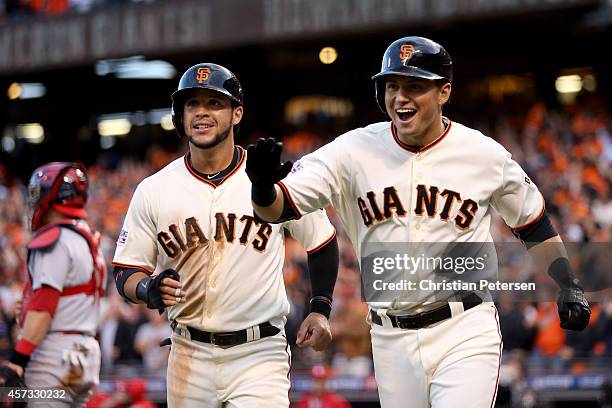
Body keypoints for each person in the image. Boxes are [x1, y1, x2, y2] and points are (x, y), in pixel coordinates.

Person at [245, 36, 591, 407]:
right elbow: (277, 209)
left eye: (415, 86)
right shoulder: (350, 151)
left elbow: (533, 224)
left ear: (444, 92)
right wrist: (263, 188)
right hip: (390, 337)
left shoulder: (482, 153)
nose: (400, 97)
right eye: (392, 85)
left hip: (464, 327)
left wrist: (567, 282)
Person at [112, 62, 339, 407]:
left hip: (258, 353)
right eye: (192, 105)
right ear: (180, 115)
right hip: (188, 352)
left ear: (237, 113)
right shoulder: (154, 189)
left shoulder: (269, 175)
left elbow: (321, 240)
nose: (201, 113)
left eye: (214, 104)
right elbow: (126, 271)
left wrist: (320, 308)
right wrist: (147, 288)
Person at [0, 162, 106, 406]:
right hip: (86, 354)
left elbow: (44, 307)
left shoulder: (53, 239)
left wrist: (18, 361)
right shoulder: (87, 237)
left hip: (54, 356)